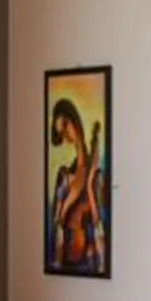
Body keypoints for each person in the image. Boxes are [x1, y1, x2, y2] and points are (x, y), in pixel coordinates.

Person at [48, 95, 107, 274]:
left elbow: (99, 225)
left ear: (74, 119)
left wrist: (89, 185)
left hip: (89, 261)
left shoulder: (96, 176)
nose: (65, 135)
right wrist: (64, 208)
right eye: (61, 133)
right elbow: (57, 222)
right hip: (65, 261)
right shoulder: (64, 175)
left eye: (65, 124)